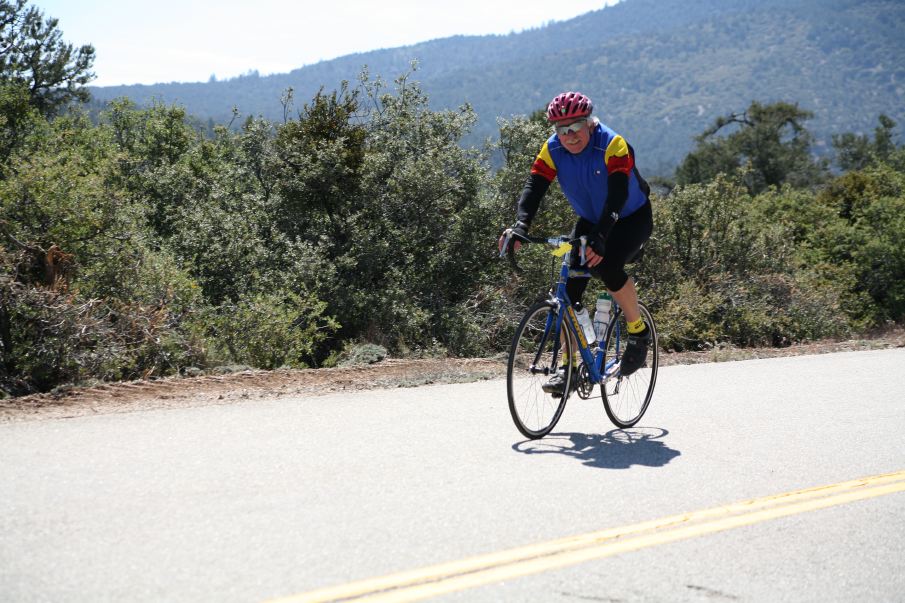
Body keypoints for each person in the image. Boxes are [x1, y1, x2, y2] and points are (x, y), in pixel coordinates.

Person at [499, 91, 653, 394]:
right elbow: (535, 187)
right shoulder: (552, 148)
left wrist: (602, 237)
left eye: (575, 127)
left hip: (631, 217)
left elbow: (618, 195)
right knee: (568, 291)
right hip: (591, 219)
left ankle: (638, 331)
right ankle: (568, 368)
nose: (568, 136)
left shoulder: (613, 144)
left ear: (590, 123)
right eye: (561, 129)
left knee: (608, 266)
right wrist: (520, 226)